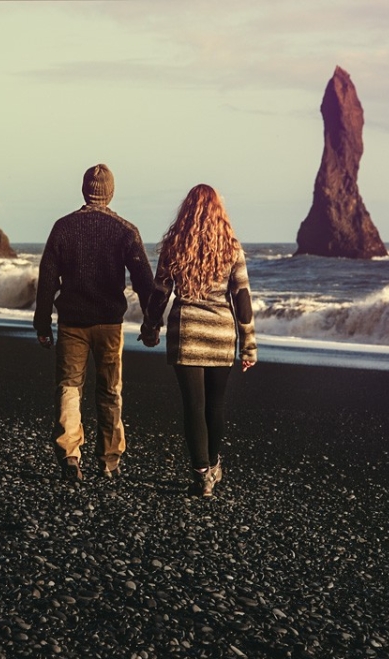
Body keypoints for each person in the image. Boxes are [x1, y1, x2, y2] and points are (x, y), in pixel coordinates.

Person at [34, 164, 154, 482]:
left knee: (69, 387)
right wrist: (151, 323)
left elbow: (47, 278)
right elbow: (145, 280)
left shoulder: (63, 227)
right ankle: (110, 460)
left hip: (72, 321)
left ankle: (70, 456)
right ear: (110, 192)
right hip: (109, 323)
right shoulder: (125, 230)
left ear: (85, 190)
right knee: (110, 390)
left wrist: (42, 323)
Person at [140, 184, 257, 497]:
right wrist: (249, 344)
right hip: (221, 334)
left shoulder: (175, 245)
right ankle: (214, 463)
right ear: (219, 210)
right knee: (215, 406)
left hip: (187, 332)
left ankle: (202, 474)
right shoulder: (232, 247)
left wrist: (151, 326)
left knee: (193, 406)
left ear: (186, 210)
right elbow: (242, 297)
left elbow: (160, 293)